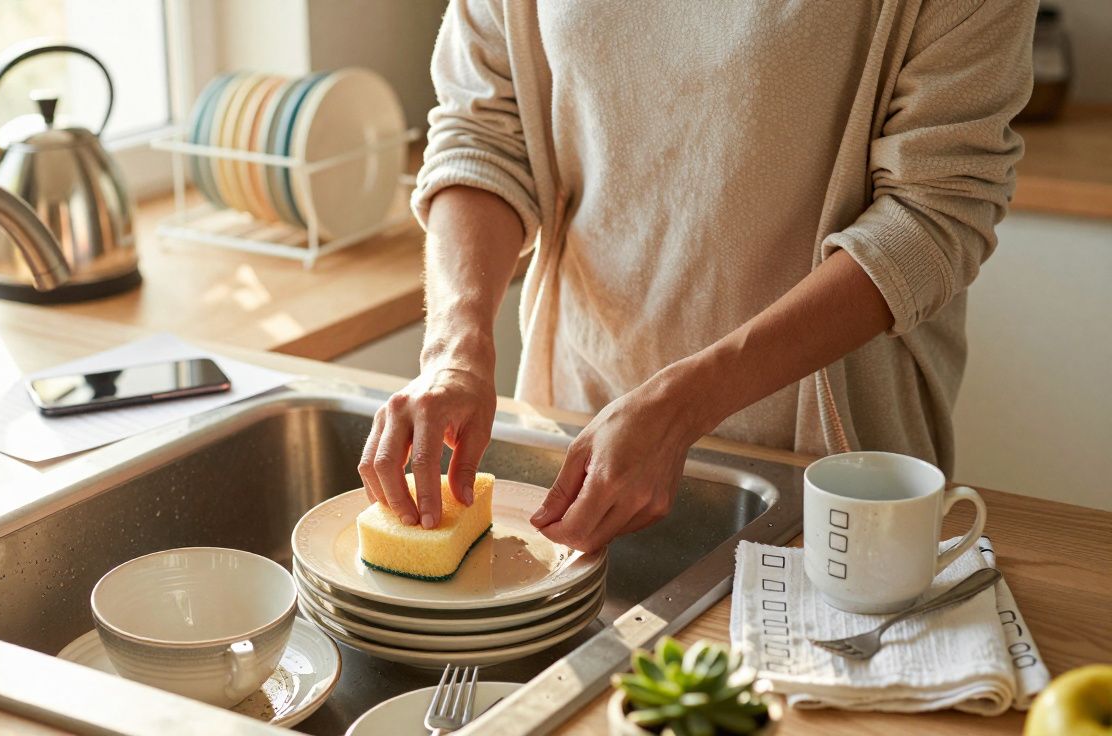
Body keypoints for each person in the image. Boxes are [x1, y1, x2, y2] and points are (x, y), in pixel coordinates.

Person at [357, 1, 1036, 553]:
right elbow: (483, 132)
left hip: (830, 470)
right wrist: (455, 350)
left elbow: (933, 213)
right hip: (573, 426)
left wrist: (685, 403)